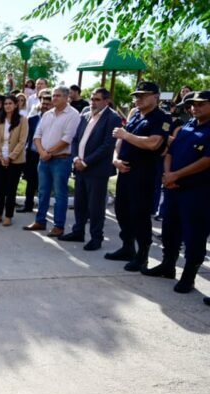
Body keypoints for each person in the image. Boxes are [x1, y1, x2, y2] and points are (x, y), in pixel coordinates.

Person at [142, 90, 210, 294]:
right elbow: (170, 152)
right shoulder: (188, 125)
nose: (195, 107)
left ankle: (188, 276)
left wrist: (176, 175)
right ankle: (168, 265)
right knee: (170, 230)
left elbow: (206, 161)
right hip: (173, 188)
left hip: (197, 192)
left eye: (201, 104)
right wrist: (168, 174)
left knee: (194, 234)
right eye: (192, 105)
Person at [106, 82, 173, 272]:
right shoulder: (135, 114)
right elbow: (120, 140)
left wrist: (126, 136)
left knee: (139, 214)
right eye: (136, 95)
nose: (138, 98)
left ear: (156, 97)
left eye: (143, 95)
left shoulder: (161, 118)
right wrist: (116, 159)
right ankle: (128, 247)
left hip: (144, 173)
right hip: (125, 171)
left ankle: (142, 255)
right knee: (121, 210)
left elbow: (154, 143)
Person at [59, 88, 122, 250]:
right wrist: (75, 159)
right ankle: (78, 232)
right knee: (80, 203)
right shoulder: (85, 114)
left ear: (106, 101)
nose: (93, 102)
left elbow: (107, 146)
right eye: (92, 99)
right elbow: (75, 139)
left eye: (97, 99)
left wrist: (86, 162)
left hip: (96, 171)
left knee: (95, 207)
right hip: (79, 167)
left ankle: (96, 238)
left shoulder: (112, 118)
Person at [23, 86, 80, 237]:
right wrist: (42, 152)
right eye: (53, 95)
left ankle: (59, 226)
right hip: (44, 159)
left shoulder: (73, 115)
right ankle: (40, 221)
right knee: (43, 192)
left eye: (58, 96)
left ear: (67, 97)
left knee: (60, 194)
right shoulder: (47, 114)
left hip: (61, 160)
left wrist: (49, 152)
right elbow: (37, 135)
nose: (54, 98)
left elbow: (67, 139)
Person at [0, 94, 28, 226]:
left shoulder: (23, 120)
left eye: (10, 103)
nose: (7, 106)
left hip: (15, 160)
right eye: (5, 104)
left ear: (16, 105)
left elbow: (22, 141)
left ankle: (8, 216)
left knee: (11, 189)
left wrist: (10, 157)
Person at [17, 91, 52, 213]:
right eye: (44, 103)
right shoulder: (32, 119)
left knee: (44, 184)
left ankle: (43, 208)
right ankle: (28, 205)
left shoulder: (54, 120)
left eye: (48, 104)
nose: (45, 106)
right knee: (30, 182)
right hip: (32, 154)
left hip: (47, 155)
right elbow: (26, 137)